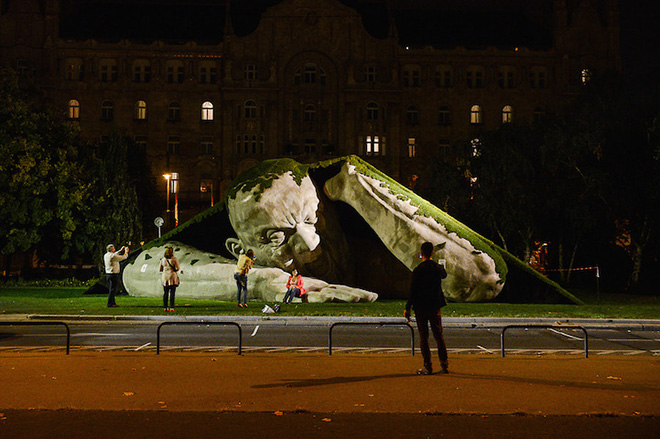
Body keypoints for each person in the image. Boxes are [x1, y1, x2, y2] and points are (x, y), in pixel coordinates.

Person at [404, 241, 449, 375]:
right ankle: (444, 364)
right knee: (439, 335)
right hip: (434, 306)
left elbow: (413, 291)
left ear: (421, 253)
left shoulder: (418, 270)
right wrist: (441, 265)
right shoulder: (438, 268)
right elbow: (444, 274)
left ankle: (427, 366)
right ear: (432, 253)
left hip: (421, 307)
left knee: (424, 337)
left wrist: (408, 308)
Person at [103, 243, 129, 308]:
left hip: (108, 274)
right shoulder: (113, 257)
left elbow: (114, 254)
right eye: (113, 248)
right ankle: (110, 303)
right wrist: (126, 252)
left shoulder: (106, 255)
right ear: (112, 249)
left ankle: (113, 302)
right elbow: (123, 257)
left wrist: (120, 250)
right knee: (112, 290)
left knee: (112, 289)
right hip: (113, 274)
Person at [159, 246, 180, 312]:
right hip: (172, 276)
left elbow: (160, 269)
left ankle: (165, 307)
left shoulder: (163, 260)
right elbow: (178, 268)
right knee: (172, 293)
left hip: (165, 277)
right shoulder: (174, 259)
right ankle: (171, 307)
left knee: (165, 292)